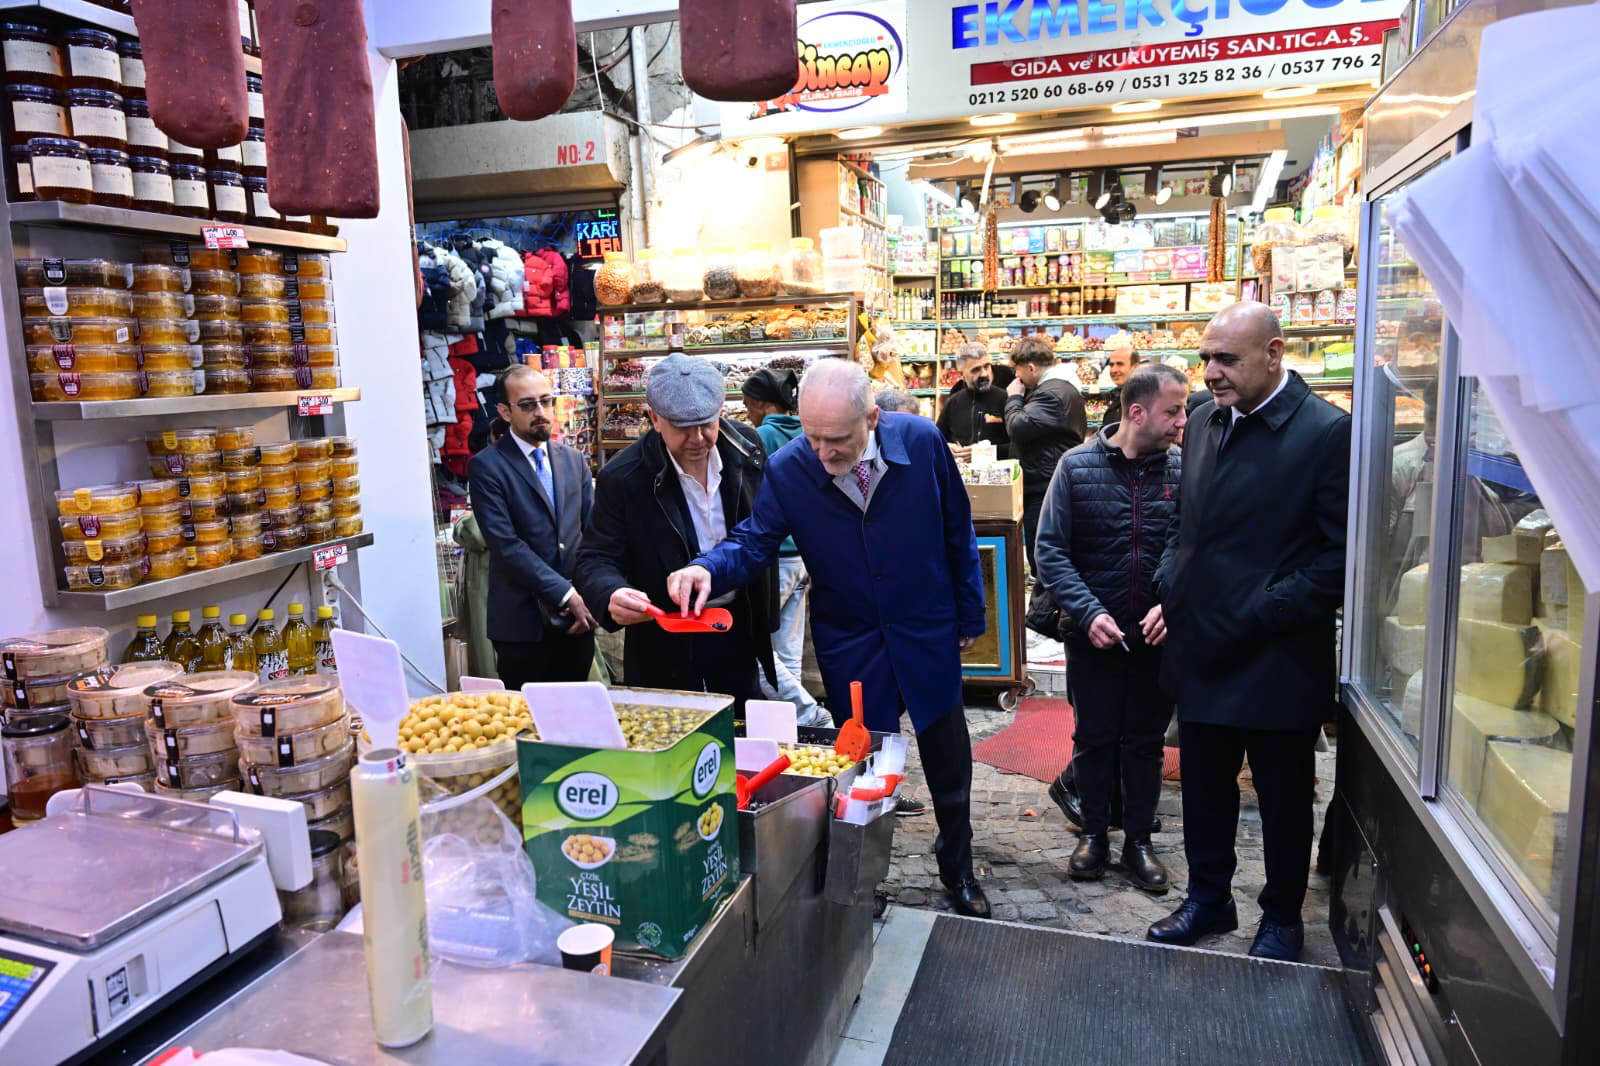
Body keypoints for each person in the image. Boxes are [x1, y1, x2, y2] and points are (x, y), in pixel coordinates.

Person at [665, 360, 992, 918]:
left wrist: (969, 614)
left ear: (873, 418)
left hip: (925, 624)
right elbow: (755, 540)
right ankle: (862, 881)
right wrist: (706, 569)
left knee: (947, 755)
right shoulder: (790, 466)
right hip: (852, 638)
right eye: (813, 437)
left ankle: (958, 867)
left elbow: (956, 528)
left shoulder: (920, 441)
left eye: (836, 439)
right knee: (862, 763)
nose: (823, 452)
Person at [1146, 302, 1350, 962]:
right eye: (1205, 357)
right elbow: (1186, 522)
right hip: (1202, 646)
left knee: (1284, 798)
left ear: (1274, 353)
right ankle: (1209, 898)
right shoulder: (1206, 422)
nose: (1210, 372)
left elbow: (1341, 557)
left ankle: (1282, 916)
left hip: (1277, 656)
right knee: (1205, 789)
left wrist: (1264, 609)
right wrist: (1172, 578)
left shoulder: (1326, 431)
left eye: (1226, 359)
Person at [1034, 364, 1187, 892]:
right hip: (1092, 637)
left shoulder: (1183, 471)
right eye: (1173, 411)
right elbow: (1050, 551)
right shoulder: (1076, 467)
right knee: (1094, 738)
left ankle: (1138, 841)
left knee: (1145, 743)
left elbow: (1191, 547)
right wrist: (1087, 611)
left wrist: (1171, 603)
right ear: (1137, 412)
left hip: (1155, 638)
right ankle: (1094, 834)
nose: (1182, 421)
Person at [575, 355, 777, 699]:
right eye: (683, 427)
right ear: (654, 419)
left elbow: (759, 530)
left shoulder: (746, 447)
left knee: (740, 718)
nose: (697, 438)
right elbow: (595, 557)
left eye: (707, 424)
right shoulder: (624, 477)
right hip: (663, 636)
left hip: (736, 622)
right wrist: (610, 592)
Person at [466, 367, 597, 687]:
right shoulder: (487, 466)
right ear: (504, 412)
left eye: (546, 401)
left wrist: (591, 592)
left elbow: (592, 534)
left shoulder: (573, 460)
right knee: (527, 714)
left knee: (576, 710)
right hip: (522, 625)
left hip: (576, 622)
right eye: (527, 405)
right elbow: (506, 545)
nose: (540, 412)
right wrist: (566, 593)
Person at [741, 367, 828, 728]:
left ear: (762, 404)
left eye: (748, 404)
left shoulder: (759, 436)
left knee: (756, 649)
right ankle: (790, 727)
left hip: (774, 557)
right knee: (787, 653)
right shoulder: (806, 433)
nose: (747, 412)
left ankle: (809, 715)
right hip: (803, 555)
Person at [1005, 335, 1088, 566]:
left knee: (1043, 556)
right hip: (1047, 480)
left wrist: (1014, 397)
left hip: (1045, 486)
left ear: (1031, 368)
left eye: (1018, 370)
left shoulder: (1051, 393)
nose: (1016, 377)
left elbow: (1017, 427)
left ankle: (1045, 591)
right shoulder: (1056, 389)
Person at [938, 342, 1010, 460]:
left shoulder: (1005, 399)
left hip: (998, 470)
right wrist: (946, 447)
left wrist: (984, 453)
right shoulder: (953, 403)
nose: (984, 374)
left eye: (987, 366)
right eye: (976, 370)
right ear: (961, 374)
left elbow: (1019, 446)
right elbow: (937, 441)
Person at [1099, 345, 1140, 429]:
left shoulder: (1144, 400)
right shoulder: (1116, 395)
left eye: (1120, 364)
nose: (1113, 370)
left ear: (1135, 367)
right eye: (1111, 365)